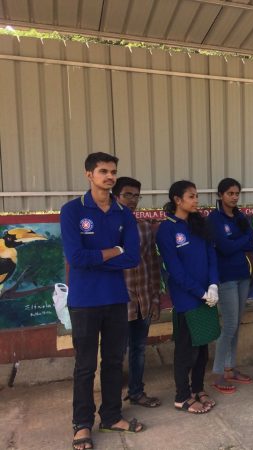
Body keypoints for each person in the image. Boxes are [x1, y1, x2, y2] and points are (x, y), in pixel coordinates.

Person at [60, 152, 143, 450]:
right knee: (84, 366)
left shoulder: (124, 213)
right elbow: (77, 259)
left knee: (112, 362)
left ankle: (111, 415)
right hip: (84, 301)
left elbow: (133, 257)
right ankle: (81, 424)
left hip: (115, 299)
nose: (109, 176)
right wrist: (114, 251)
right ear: (89, 175)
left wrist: (102, 256)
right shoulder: (72, 211)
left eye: (113, 172)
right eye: (103, 171)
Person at [156, 180, 219, 414]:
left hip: (207, 296)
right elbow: (175, 269)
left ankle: (198, 388)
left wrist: (212, 285)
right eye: (191, 196)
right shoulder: (167, 229)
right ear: (177, 200)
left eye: (196, 196)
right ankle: (182, 396)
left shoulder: (198, 224)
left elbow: (211, 256)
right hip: (187, 299)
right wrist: (200, 292)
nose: (196, 200)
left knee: (203, 347)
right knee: (185, 349)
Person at [113, 177, 162, 408]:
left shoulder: (143, 227)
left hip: (142, 299)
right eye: (127, 195)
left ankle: (136, 392)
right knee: (115, 354)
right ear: (115, 196)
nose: (132, 200)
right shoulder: (108, 228)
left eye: (136, 196)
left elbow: (152, 262)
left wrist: (155, 297)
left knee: (138, 350)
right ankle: (111, 402)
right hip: (117, 302)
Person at [209, 178, 253, 394]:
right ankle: (218, 373)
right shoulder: (215, 219)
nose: (234, 197)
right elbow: (225, 248)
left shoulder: (240, 217)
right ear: (221, 195)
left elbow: (251, 242)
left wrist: (239, 241)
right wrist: (242, 240)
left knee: (236, 323)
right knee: (228, 325)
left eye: (237, 193)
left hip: (243, 275)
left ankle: (230, 368)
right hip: (226, 277)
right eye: (230, 193)